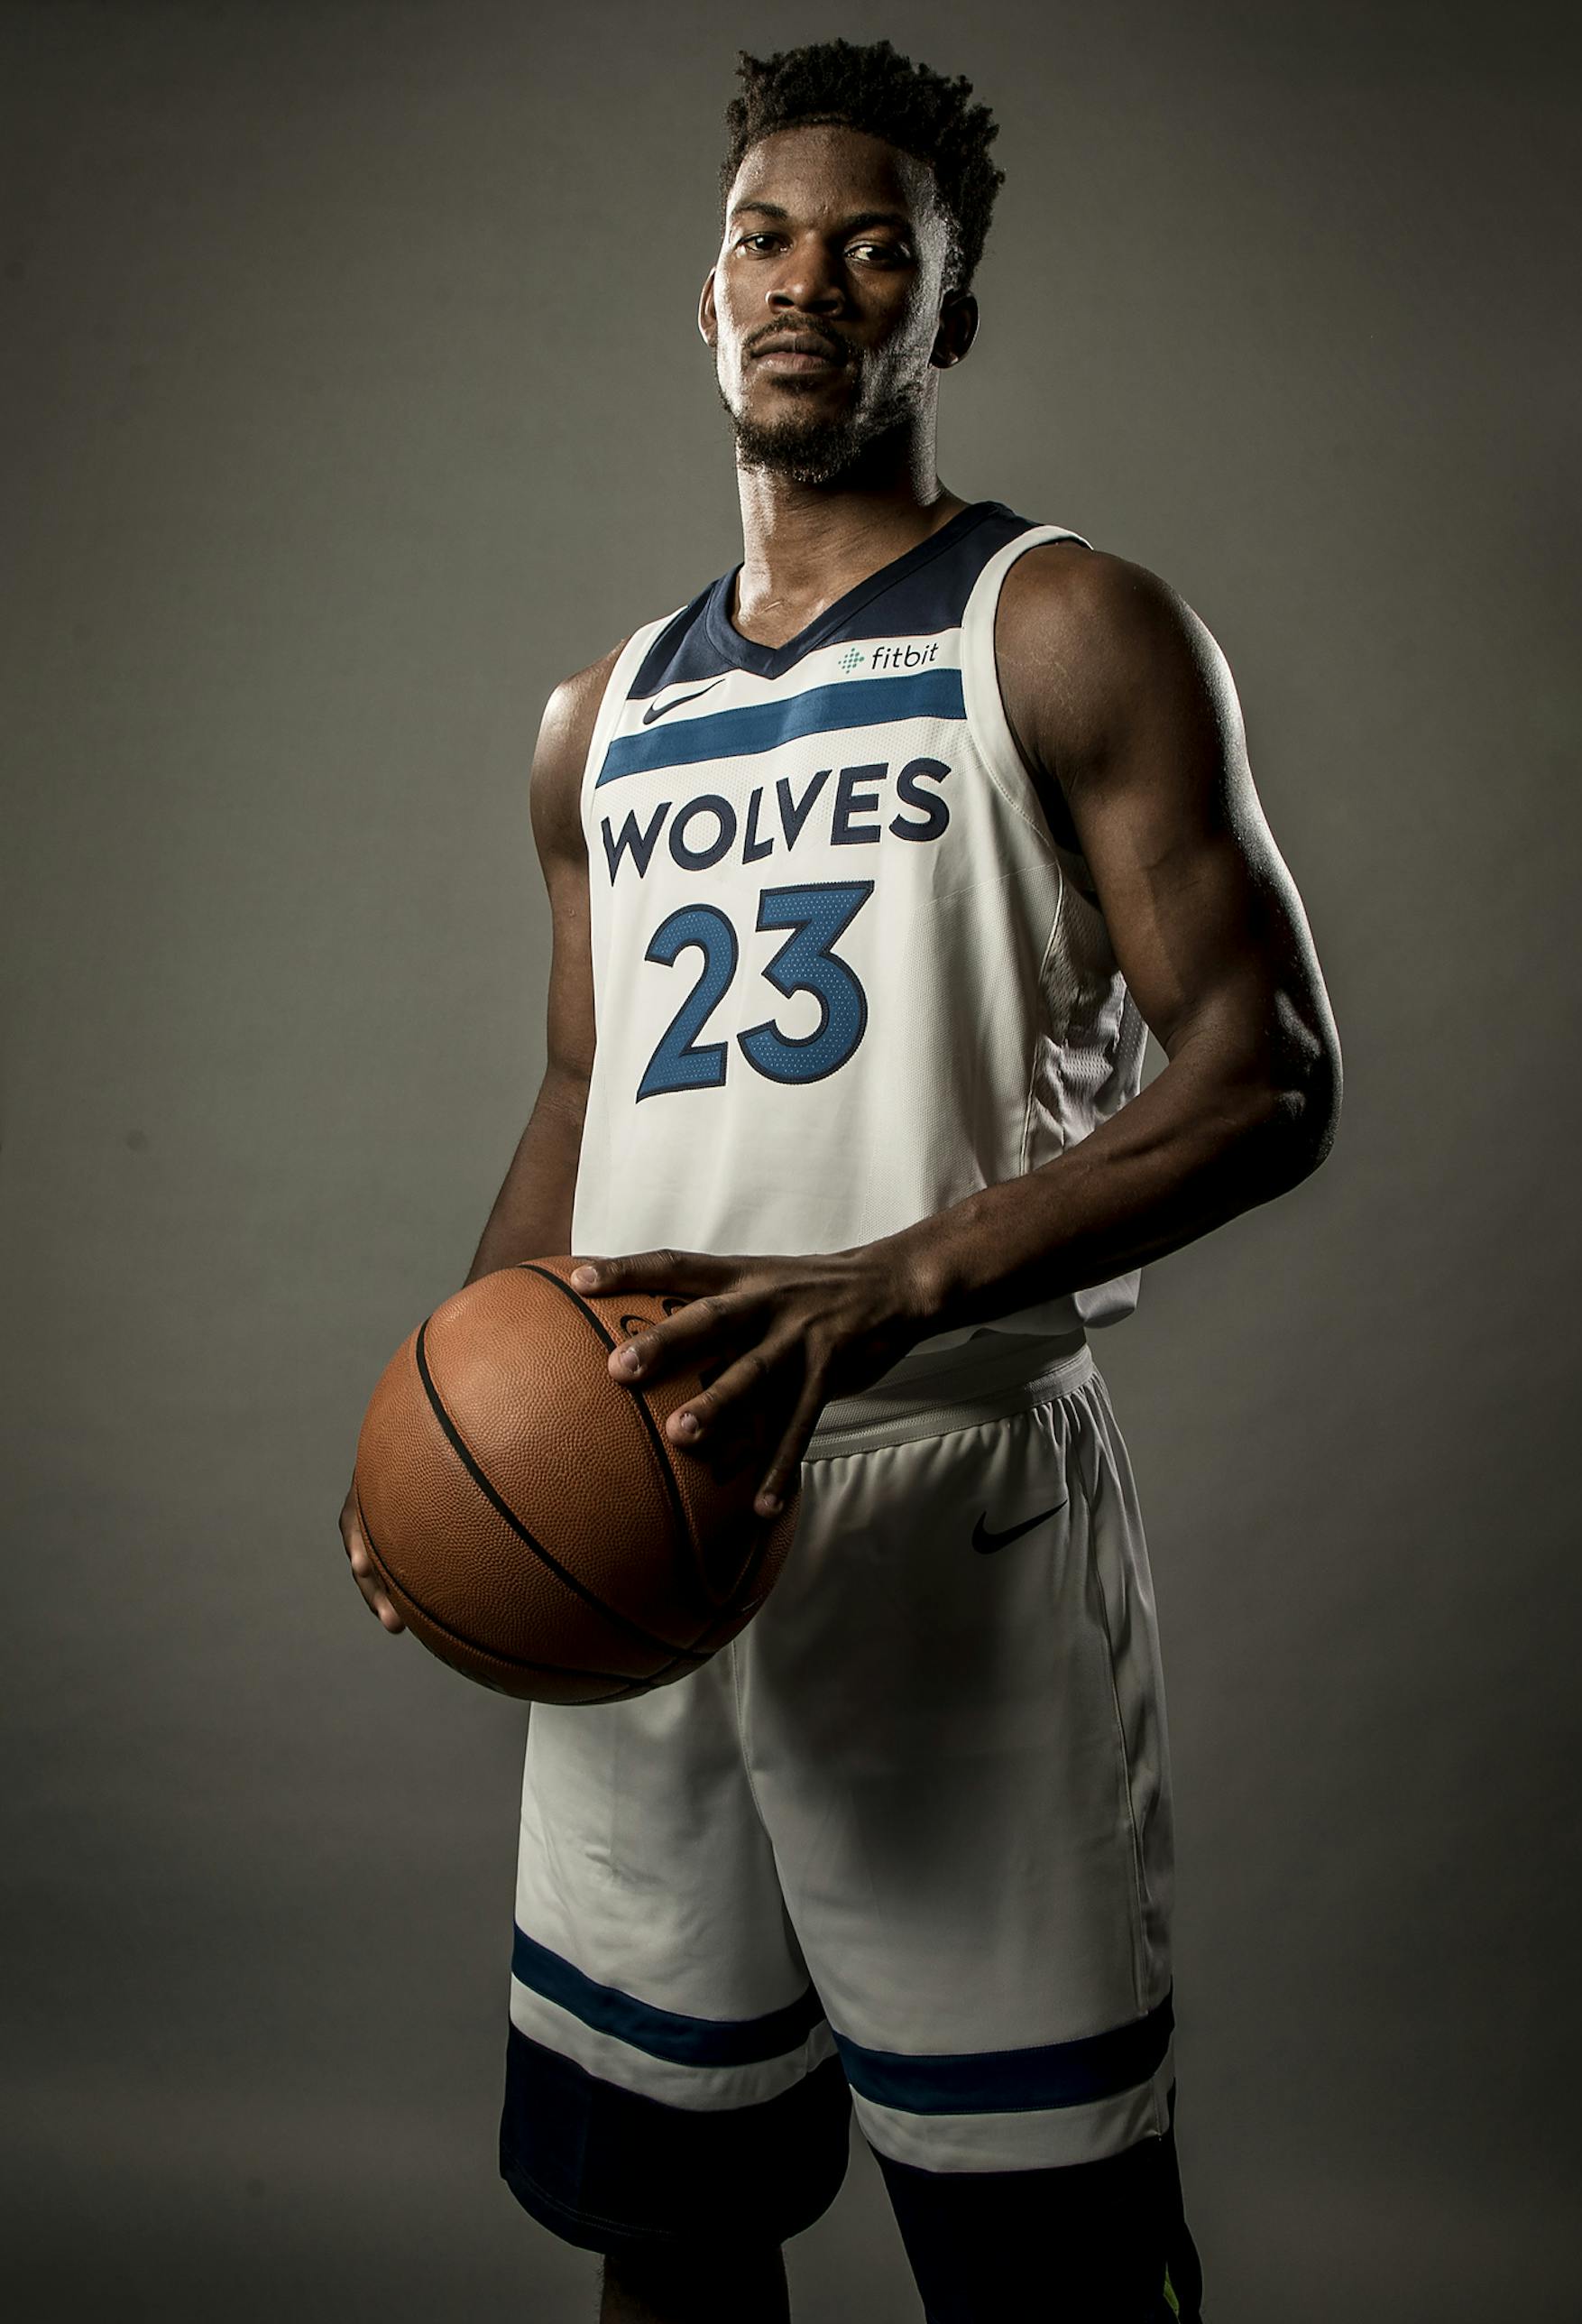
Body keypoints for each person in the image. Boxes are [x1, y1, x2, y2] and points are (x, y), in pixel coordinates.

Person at [341, 36, 1340, 2324]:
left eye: (875, 245)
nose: (810, 282)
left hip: (944, 1515)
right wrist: (441, 1426)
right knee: (668, 2235)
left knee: (1049, 2259)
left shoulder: (1063, 626)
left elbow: (1268, 1071)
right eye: (763, 240)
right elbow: (580, 1087)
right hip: (632, 1497)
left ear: (947, 312)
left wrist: (874, 1293)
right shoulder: (603, 715)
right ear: (705, 299)